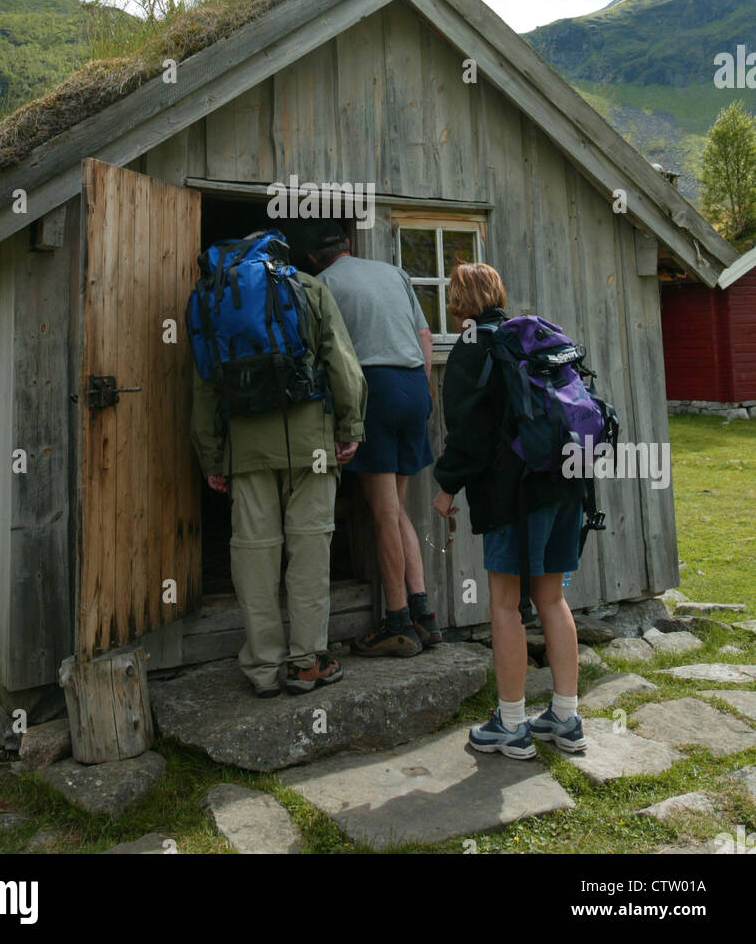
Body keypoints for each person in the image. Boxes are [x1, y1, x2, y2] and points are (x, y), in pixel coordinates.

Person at [190, 237, 367, 698]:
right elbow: (341, 362)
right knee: (309, 551)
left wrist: (212, 455)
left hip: (245, 448)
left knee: (253, 553)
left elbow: (206, 384)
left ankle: (264, 669)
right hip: (310, 443)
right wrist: (350, 426)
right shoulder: (308, 287)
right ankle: (304, 663)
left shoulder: (213, 296)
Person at [431, 262, 587, 758]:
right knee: (552, 600)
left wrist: (446, 486)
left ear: (458, 304)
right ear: (498, 292)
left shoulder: (473, 347)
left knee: (504, 604)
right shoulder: (534, 337)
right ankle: (565, 717)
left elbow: (470, 435)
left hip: (514, 492)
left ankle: (512, 724)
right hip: (565, 483)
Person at [307, 226, 441, 656]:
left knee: (383, 513)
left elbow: (321, 351)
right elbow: (425, 337)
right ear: (348, 245)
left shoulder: (323, 283)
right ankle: (424, 616)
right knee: (398, 509)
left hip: (374, 386)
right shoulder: (393, 273)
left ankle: (397, 622)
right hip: (413, 384)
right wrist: (422, 393)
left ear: (314, 259)